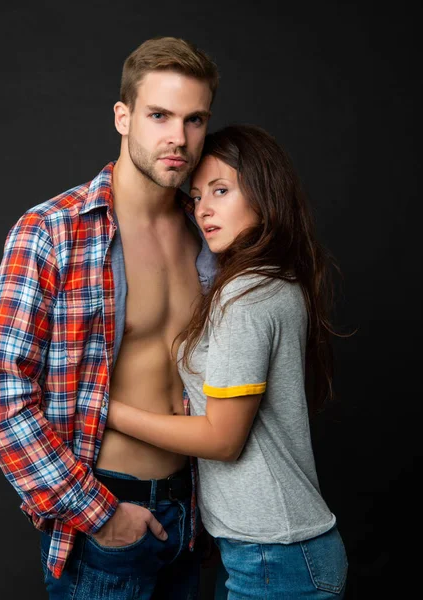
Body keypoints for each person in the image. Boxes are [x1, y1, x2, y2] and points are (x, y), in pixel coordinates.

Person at [0, 37, 219, 599]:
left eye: (194, 119)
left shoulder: (209, 235)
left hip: (194, 516)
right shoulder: (52, 230)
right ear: (123, 117)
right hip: (107, 513)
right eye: (159, 115)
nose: (177, 138)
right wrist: (100, 514)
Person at [107, 124, 349, 599]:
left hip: (275, 556)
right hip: (270, 552)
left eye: (222, 190)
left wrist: (109, 411)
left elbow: (222, 439)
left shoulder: (246, 293)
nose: (205, 209)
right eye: (197, 196)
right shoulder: (275, 280)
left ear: (265, 192)